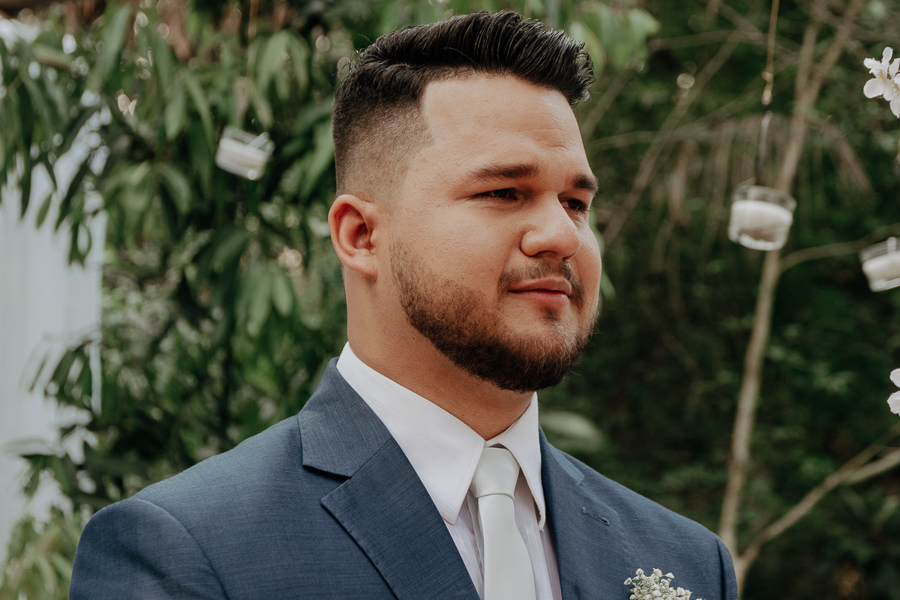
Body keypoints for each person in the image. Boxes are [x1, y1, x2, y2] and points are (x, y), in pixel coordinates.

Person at [69, 11, 738, 600]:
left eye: (576, 203)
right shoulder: (187, 550)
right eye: (505, 192)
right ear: (361, 236)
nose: (563, 235)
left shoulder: (685, 562)